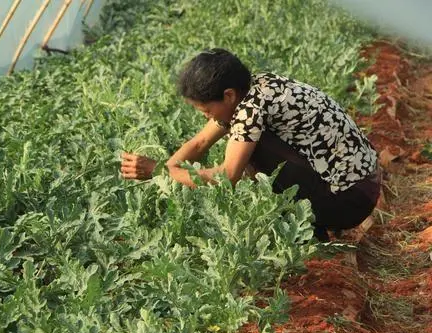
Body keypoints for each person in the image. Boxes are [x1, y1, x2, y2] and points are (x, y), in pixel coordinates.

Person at [120, 48, 381, 241]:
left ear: (228, 95)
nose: (205, 117)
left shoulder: (250, 110)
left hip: (349, 200)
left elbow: (227, 176)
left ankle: (307, 231)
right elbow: (199, 142)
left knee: (249, 150)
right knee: (243, 139)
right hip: (360, 186)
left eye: (206, 110)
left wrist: (160, 171)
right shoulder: (256, 88)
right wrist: (166, 173)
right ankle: (310, 226)